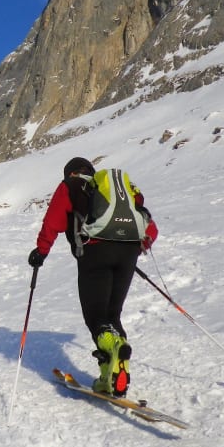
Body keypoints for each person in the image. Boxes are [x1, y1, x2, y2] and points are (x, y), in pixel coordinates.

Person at [28, 157, 158, 396]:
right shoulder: (116, 190)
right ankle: (113, 375)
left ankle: (115, 353)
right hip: (128, 252)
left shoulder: (71, 186)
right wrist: (131, 249)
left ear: (70, 173)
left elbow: (53, 221)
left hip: (94, 252)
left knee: (96, 316)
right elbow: (149, 227)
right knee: (112, 314)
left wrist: (41, 251)